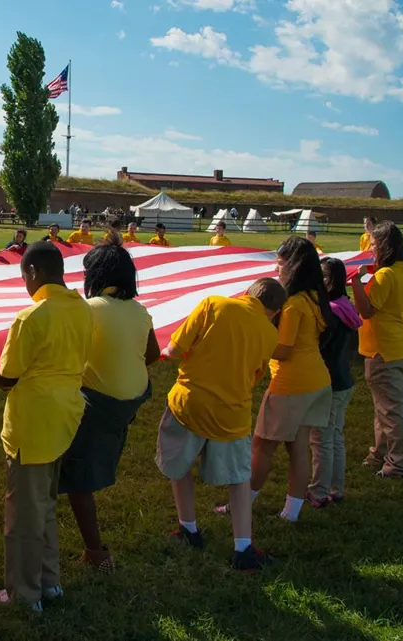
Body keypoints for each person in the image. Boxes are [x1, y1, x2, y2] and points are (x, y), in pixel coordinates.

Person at [0, 242, 92, 608]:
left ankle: (23, 594)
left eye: (24, 276)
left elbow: (9, 376)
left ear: (33, 273)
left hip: (33, 423)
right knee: (46, 504)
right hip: (65, 418)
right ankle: (49, 583)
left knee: (24, 514)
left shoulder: (31, 317)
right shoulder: (82, 310)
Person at [158, 278, 285, 571]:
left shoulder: (214, 304)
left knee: (179, 466)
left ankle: (188, 529)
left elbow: (175, 349)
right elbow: (255, 375)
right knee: (239, 478)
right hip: (231, 415)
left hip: (189, 405)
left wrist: (166, 354)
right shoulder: (269, 334)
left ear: (246, 294)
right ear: (274, 312)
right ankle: (243, 547)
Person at [59, 245, 156, 572]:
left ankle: (96, 552)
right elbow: (153, 353)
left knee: (76, 479)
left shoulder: (89, 309)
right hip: (131, 402)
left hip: (99, 405)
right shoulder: (141, 311)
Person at [229, 238, 331, 523]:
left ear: (294, 264)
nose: (277, 266)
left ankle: (239, 505)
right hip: (317, 381)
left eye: (281, 261)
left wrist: (255, 342)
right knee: (298, 447)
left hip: (291, 384)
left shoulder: (294, 304)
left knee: (262, 445)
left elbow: (283, 350)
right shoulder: (313, 296)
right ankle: (291, 512)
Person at [351, 221, 403, 479]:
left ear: (385, 247)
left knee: (390, 411)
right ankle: (380, 452)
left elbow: (366, 310)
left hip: (383, 351)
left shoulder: (384, 276)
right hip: (401, 347)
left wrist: (356, 282)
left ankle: (399, 463)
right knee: (386, 407)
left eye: (374, 245)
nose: (371, 250)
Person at [309, 257, 360, 506]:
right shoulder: (346, 306)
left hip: (330, 383)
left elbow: (320, 346)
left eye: (324, 277)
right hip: (344, 380)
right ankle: (336, 488)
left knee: (321, 439)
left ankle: (319, 491)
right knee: (335, 436)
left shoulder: (332, 313)